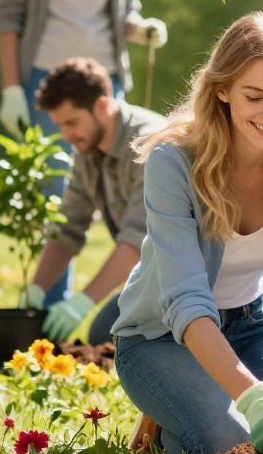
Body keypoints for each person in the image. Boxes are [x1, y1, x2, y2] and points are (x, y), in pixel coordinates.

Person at [112, 12, 263, 454]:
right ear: (223, 91)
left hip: (251, 327)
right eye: (254, 96)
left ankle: (184, 413)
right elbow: (186, 301)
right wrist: (254, 401)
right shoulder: (173, 162)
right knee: (231, 445)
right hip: (160, 339)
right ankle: (178, 416)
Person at [0, 0, 166, 306]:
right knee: (61, 198)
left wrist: (142, 28)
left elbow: (124, 12)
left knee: (123, 190)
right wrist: (12, 87)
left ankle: (120, 299)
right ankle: (48, 306)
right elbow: (9, 15)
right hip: (45, 81)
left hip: (104, 81)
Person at [21, 57, 164, 345]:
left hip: (194, 280)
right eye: (60, 125)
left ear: (101, 105)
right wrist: (35, 291)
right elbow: (68, 227)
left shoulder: (150, 144)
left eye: (72, 122)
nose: (66, 135)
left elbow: (140, 239)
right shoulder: (87, 149)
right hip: (154, 278)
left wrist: (82, 302)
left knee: (105, 335)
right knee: (106, 334)